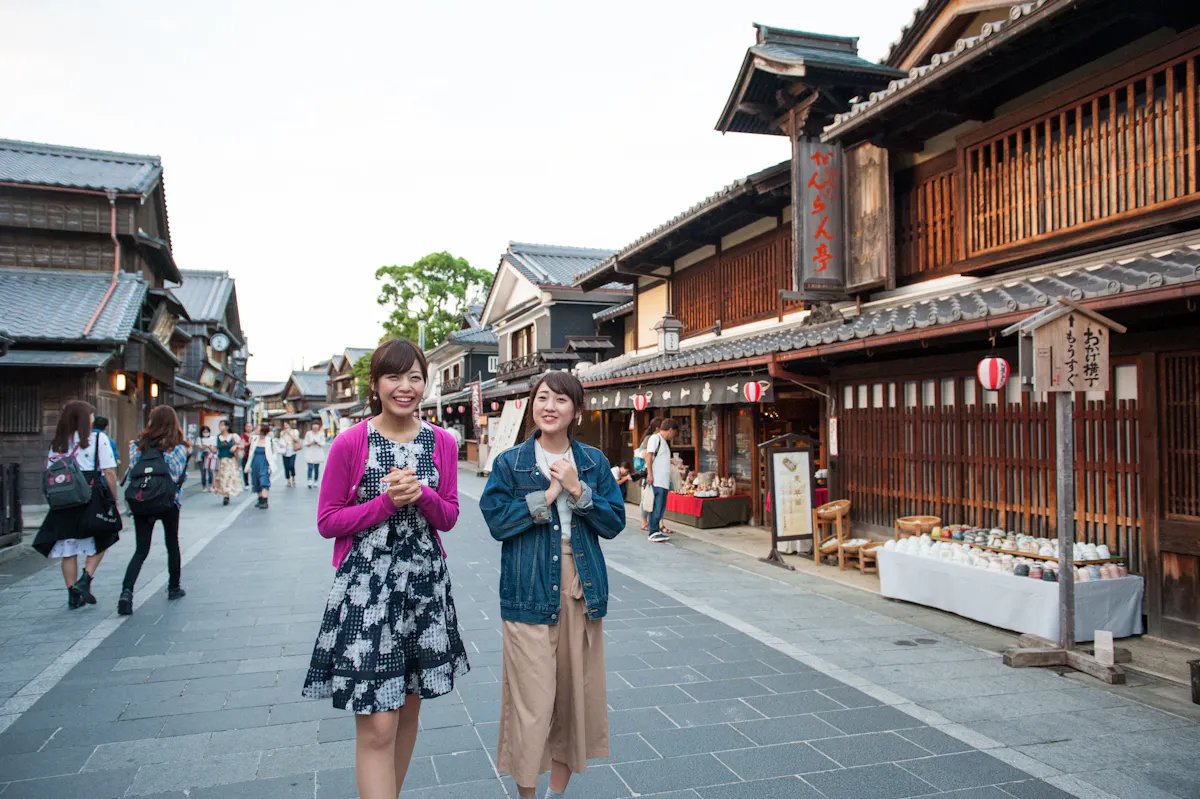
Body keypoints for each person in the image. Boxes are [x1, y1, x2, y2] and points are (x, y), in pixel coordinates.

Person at [302, 338, 470, 799]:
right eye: (394, 376)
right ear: (375, 384)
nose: (405, 386)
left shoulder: (441, 441)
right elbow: (327, 521)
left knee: (409, 709)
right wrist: (385, 503)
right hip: (367, 590)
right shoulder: (351, 441)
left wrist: (423, 495)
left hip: (424, 585)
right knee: (379, 723)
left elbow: (449, 516)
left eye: (415, 377)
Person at [480, 371, 626, 799]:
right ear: (532, 405)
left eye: (561, 400)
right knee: (532, 701)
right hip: (528, 587)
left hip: (580, 585)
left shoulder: (593, 462)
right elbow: (497, 522)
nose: (550, 406)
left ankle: (554, 794)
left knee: (572, 698)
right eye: (542, 398)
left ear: (576, 411)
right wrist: (545, 496)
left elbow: (614, 523)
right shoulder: (510, 463)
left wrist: (579, 490)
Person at [33, 401, 121, 608]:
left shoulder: (58, 443)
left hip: (65, 499)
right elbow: (109, 471)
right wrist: (114, 498)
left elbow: (51, 471)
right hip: (90, 496)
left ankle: (73, 594)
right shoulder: (98, 439)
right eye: (90, 415)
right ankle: (85, 579)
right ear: (84, 418)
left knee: (68, 546)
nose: (92, 419)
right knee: (104, 534)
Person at [118, 406, 190, 615]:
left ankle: (126, 592)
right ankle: (174, 587)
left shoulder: (137, 447)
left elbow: (133, 472)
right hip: (168, 502)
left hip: (142, 501)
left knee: (141, 549)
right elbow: (179, 477)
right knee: (172, 543)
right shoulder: (179, 448)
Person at [644, 418, 679, 543]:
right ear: (670, 430)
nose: (673, 436)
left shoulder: (662, 441)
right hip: (657, 480)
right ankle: (653, 532)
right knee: (656, 507)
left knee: (660, 507)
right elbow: (648, 456)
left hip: (663, 481)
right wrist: (650, 474)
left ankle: (656, 531)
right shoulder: (655, 439)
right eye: (674, 433)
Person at [634, 418, 662, 531]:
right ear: (657, 428)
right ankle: (644, 521)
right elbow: (646, 454)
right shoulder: (649, 438)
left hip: (655, 470)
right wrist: (650, 471)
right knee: (646, 496)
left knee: (654, 497)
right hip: (648, 471)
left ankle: (656, 523)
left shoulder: (659, 438)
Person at [245, 423, 276, 509]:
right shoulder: (254, 439)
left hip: (265, 462)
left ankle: (265, 500)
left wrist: (272, 463)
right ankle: (260, 499)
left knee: (264, 480)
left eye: (258, 428)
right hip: (255, 462)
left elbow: (274, 452)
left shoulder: (270, 441)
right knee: (256, 481)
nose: (255, 430)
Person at [213, 419, 244, 506]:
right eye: (220, 425)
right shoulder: (217, 437)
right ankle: (226, 495)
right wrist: (211, 448)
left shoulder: (234, 436)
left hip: (231, 460)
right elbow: (215, 449)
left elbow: (242, 445)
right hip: (221, 461)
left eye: (222, 425)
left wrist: (236, 446)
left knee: (229, 477)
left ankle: (227, 495)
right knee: (223, 478)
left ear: (227, 427)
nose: (220, 427)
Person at [303, 420, 327, 487]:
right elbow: (305, 442)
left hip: (318, 452)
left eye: (316, 425)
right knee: (310, 467)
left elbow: (323, 443)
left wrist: (317, 443)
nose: (315, 427)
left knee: (316, 468)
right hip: (310, 451)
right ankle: (309, 480)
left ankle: (316, 480)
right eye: (314, 425)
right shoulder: (308, 433)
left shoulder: (321, 433)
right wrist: (310, 443)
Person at [277, 421, 301, 487]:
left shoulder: (294, 431)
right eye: (284, 425)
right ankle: (288, 480)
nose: (285, 427)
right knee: (286, 466)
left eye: (286, 425)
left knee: (291, 465)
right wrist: (283, 435)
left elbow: (296, 440)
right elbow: (280, 441)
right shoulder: (282, 432)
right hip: (284, 451)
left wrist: (289, 433)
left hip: (292, 450)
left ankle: (293, 477)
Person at [195, 425, 217, 492]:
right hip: (202, 456)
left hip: (210, 456)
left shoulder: (213, 438)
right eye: (204, 432)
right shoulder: (199, 439)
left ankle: (210, 486)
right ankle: (204, 486)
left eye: (207, 432)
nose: (205, 433)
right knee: (203, 472)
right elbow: (200, 447)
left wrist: (208, 447)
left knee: (210, 471)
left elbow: (214, 448)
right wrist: (207, 446)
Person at [240, 422, 253, 486]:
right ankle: (246, 483)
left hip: (253, 454)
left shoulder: (254, 435)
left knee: (254, 469)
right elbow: (243, 443)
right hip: (245, 454)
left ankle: (254, 482)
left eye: (249, 426)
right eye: (247, 426)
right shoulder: (243, 435)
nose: (248, 428)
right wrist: (250, 443)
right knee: (245, 469)